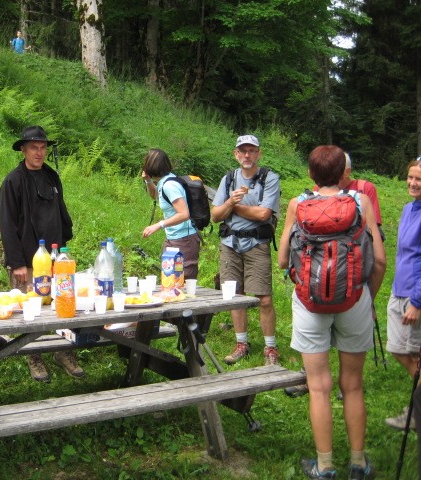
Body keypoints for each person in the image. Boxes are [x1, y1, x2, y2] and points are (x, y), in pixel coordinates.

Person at [278, 145, 385, 480]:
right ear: (343, 174)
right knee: (352, 385)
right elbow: (379, 261)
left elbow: (282, 261)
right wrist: (365, 296)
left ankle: (324, 466)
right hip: (354, 300)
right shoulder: (360, 202)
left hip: (309, 303)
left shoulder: (298, 205)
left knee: (319, 387)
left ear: (310, 174)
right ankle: (358, 463)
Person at [0, 126, 82, 382]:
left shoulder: (51, 177)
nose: (39, 152)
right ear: (23, 149)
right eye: (33, 147)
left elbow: (60, 213)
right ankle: (34, 357)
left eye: (43, 147)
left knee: (61, 305)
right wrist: (17, 263)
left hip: (56, 259)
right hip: (27, 260)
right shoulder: (12, 181)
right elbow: (7, 224)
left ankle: (62, 351)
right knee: (30, 312)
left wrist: (64, 253)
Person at [211, 135, 281, 366]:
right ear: (236, 154)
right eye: (243, 151)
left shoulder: (269, 178)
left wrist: (232, 206)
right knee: (234, 296)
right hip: (229, 244)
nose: (247, 155)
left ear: (259, 153)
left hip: (256, 244)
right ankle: (242, 343)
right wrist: (230, 204)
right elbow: (215, 216)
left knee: (264, 298)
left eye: (252, 151)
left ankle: (270, 348)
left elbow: (263, 215)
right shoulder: (228, 179)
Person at [383, 157, 421, 431]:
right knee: (397, 348)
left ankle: (416, 412)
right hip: (399, 291)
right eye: (410, 177)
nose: (413, 182)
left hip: (415, 297)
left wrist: (418, 302)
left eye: (418, 179)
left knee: (417, 354)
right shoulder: (410, 209)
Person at [141, 148, 201, 279]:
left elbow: (184, 214)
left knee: (182, 282)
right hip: (173, 238)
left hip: (185, 240)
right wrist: (148, 181)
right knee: (170, 280)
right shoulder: (166, 181)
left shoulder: (170, 185)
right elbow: (155, 195)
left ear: (150, 165)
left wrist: (158, 225)